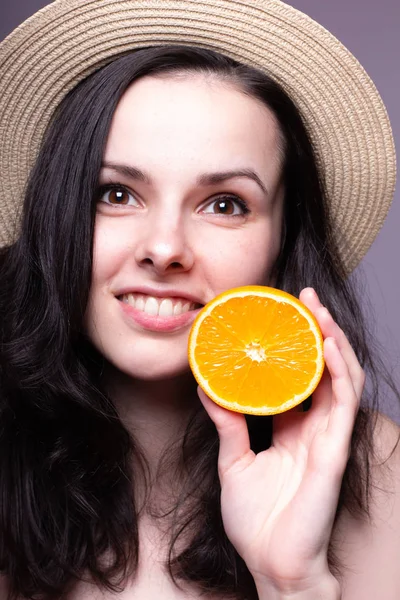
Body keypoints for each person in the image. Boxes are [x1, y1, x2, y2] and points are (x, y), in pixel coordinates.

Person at [0, 1, 399, 599]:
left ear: (281, 240)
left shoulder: (379, 470)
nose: (164, 249)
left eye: (225, 204)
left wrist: (293, 583)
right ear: (56, 213)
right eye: (115, 193)